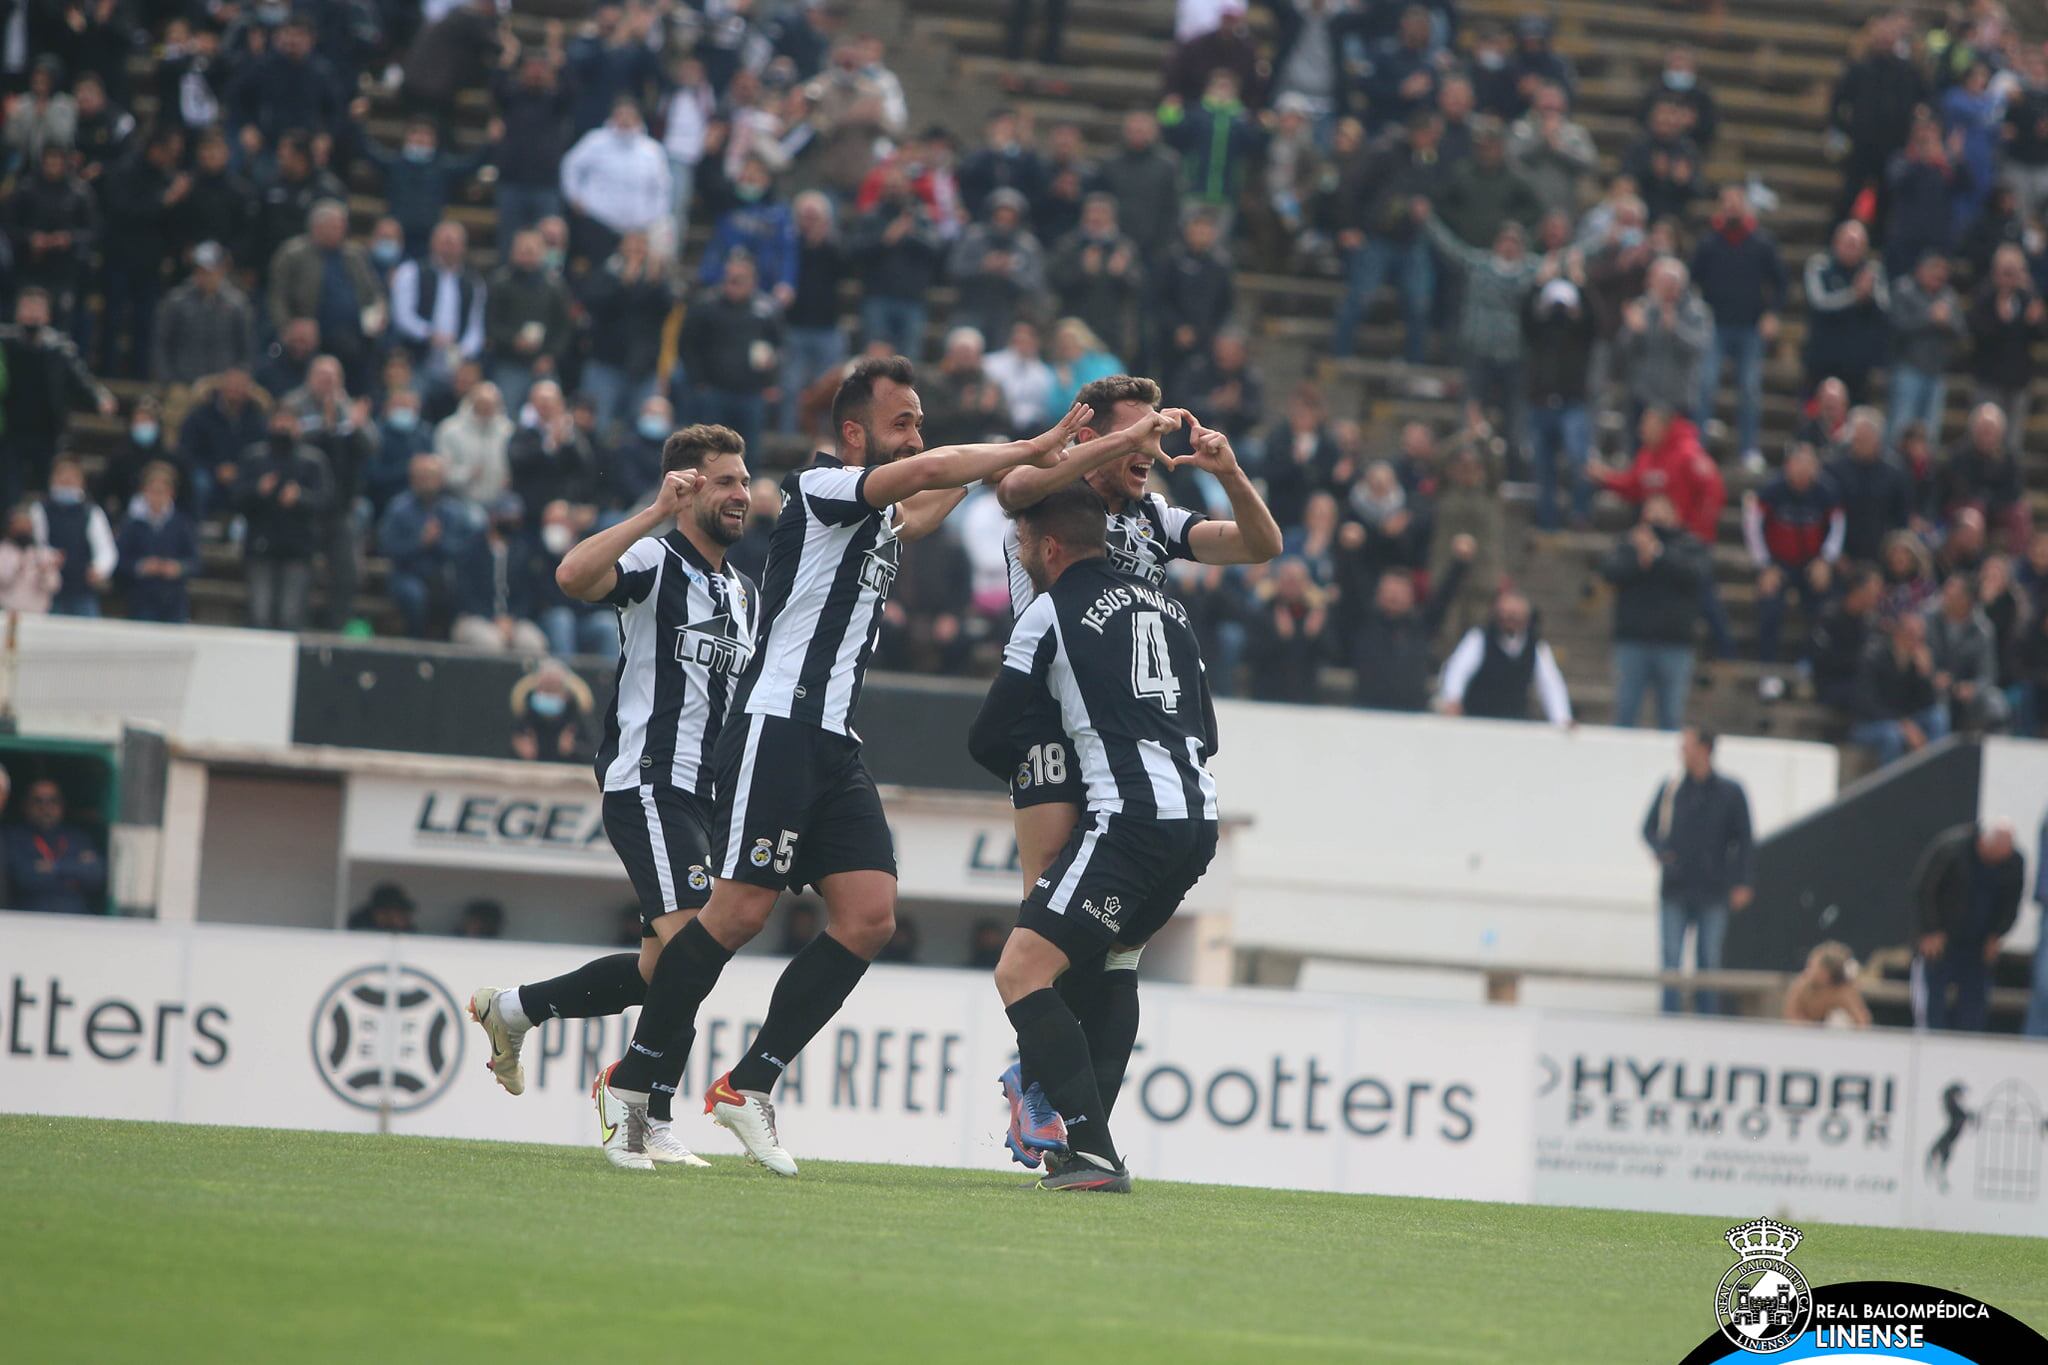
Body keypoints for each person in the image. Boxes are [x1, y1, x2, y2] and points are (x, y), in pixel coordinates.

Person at [592, 361, 1093, 1175]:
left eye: (920, 421)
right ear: (856, 433)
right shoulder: (821, 486)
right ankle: (633, 1081)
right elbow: (931, 473)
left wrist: (1048, 458)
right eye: (902, 421)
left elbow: (945, 491)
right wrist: (1032, 439)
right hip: (776, 723)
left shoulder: (877, 523)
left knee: (869, 915)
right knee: (738, 913)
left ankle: (748, 1083)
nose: (917, 436)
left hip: (833, 740)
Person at [470, 427, 760, 1168]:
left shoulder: (742, 590)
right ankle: (636, 1102)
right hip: (651, 783)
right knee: (698, 942)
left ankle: (516, 1009)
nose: (741, 493)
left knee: (662, 970)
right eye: (724, 480)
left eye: (744, 479)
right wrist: (653, 511)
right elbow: (572, 575)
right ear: (687, 487)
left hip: (711, 798)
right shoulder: (655, 560)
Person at [967, 482, 1221, 1193]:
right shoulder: (1171, 606)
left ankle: (1091, 1150)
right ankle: (1088, 1148)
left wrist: (1055, 773)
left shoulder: (1048, 609)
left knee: (1021, 970)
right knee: (1114, 964)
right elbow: (1210, 730)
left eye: (1023, 545)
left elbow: (988, 735)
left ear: (1048, 546)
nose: (1021, 554)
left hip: (1128, 820)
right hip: (1196, 819)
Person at [991, 376, 1276, 957]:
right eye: (1138, 433)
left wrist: (1228, 472)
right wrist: (1116, 444)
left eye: (1155, 432)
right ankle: (1042, 1041)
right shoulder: (1051, 501)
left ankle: (1078, 1044)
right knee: (1046, 897)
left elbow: (1260, 545)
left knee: (1110, 936)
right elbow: (1012, 487)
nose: (1150, 447)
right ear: (1092, 438)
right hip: (1051, 718)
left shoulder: (1156, 518)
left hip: (1125, 729)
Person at [1643, 727, 1754, 1016]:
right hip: (1676, 887)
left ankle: (1707, 1020)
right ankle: (1670, 1015)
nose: (1683, 752)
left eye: (1687, 746)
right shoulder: (1672, 787)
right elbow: (1649, 828)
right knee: (1671, 959)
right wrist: (1662, 851)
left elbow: (1744, 839)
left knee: (1708, 960)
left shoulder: (1730, 792)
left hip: (1713, 889)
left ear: (1704, 749)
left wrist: (1742, 882)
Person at [1690, 186, 1785, 470]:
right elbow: (1693, 281)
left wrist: (1772, 314)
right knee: (1705, 385)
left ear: (1745, 206)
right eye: (1726, 203)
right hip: (1714, 326)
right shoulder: (1708, 243)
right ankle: (1698, 447)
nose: (1731, 208)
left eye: (1736, 203)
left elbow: (1780, 283)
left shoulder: (1762, 243)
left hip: (1750, 327)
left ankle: (1748, 448)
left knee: (1749, 389)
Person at [0, 288, 116, 510]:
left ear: (47, 315)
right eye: (27, 307)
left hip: (48, 431)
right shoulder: (5, 344)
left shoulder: (59, 349)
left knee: (51, 488)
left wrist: (99, 398)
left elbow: (80, 379)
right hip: (11, 433)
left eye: (37, 308)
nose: (32, 314)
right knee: (8, 490)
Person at [1603, 496, 1709, 731]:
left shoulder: (1690, 546)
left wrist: (1658, 554)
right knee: (1625, 712)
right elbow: (1611, 572)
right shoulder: (1627, 544)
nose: (1657, 519)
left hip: (1675, 643)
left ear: (1675, 516)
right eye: (1652, 512)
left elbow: (1695, 576)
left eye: (1663, 513)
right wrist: (1639, 558)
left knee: (1671, 716)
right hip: (1632, 640)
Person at [1912, 821, 2025, 1033]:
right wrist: (1930, 930)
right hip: (1942, 940)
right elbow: (1924, 889)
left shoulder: (2013, 862)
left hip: (1978, 944)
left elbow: (2011, 903)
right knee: (1932, 1006)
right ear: (1985, 843)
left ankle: (1965, 1053)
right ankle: (1930, 1048)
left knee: (1973, 1008)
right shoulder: (1951, 849)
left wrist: (1997, 934)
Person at [1743, 444, 1845, 665]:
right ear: (1788, 466)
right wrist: (1764, 565)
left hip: (1811, 562)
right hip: (1778, 563)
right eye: (1798, 465)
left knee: (1824, 607)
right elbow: (1753, 526)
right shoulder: (1772, 490)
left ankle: (1810, 663)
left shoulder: (1827, 491)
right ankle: (1767, 668)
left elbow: (1837, 526)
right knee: (1770, 607)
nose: (1802, 472)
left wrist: (1826, 560)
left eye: (1808, 466)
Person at [677, 255, 781, 456]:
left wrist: (771, 380)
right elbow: (687, 344)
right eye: (730, 279)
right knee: (709, 449)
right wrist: (698, 380)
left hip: (751, 392)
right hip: (714, 391)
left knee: (750, 450)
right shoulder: (705, 306)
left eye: (740, 280)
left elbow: (778, 346)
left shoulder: (766, 310)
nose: (733, 285)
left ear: (753, 281)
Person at [559, 96, 670, 267]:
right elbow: (570, 166)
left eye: (629, 115)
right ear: (612, 116)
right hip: (598, 223)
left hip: (638, 231)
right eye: (620, 114)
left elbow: (662, 189)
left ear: (638, 118)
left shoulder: (652, 150)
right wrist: (574, 197)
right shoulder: (595, 141)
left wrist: (652, 218)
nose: (625, 119)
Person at [1438, 591, 1571, 725]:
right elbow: (1458, 669)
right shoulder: (1479, 638)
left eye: (1515, 615)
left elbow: (1550, 684)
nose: (1509, 619)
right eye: (1505, 613)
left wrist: (1562, 718)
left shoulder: (1537, 647)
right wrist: (1452, 699)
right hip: (1478, 720)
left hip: (1515, 723)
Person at [1801, 220, 1890, 401]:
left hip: (1858, 364)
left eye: (1858, 245)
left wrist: (1869, 294)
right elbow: (1819, 303)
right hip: (1822, 359)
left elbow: (1886, 309)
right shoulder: (1820, 266)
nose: (1853, 249)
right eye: (1848, 243)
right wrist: (1854, 295)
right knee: (1814, 414)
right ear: (1836, 243)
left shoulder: (1872, 272)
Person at [451, 494, 549, 653]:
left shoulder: (523, 551)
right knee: (491, 643)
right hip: (474, 616)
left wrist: (512, 619)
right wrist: (492, 618)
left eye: (515, 516)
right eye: (506, 514)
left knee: (533, 643)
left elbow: (529, 594)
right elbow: (463, 593)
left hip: (514, 620)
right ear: (493, 516)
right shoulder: (471, 548)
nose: (511, 520)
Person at [1850, 611, 1950, 765]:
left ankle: (1934, 771)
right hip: (1870, 723)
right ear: (1899, 634)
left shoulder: (1916, 662)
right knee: (1892, 735)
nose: (1916, 642)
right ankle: (1892, 785)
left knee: (1938, 716)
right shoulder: (1874, 656)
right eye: (1912, 635)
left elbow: (1927, 703)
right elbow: (1868, 704)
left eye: (1920, 637)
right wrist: (1903, 724)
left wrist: (1926, 675)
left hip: (1905, 720)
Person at [3, 779, 106, 915]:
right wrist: (75, 868)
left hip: (76, 923)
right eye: (38, 801)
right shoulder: (12, 838)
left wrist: (54, 867)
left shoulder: (78, 837)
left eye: (53, 800)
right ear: (25, 805)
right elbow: (23, 878)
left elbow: (96, 875)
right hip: (28, 922)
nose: (46, 807)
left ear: (62, 805)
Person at [114, 462, 200, 624]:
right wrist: (141, 566)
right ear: (144, 492)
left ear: (171, 493)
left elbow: (195, 561)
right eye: (153, 491)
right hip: (141, 601)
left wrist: (178, 568)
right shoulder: (132, 524)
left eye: (161, 492)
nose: (157, 496)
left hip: (174, 602)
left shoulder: (182, 524)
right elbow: (120, 559)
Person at [31, 456, 116, 617]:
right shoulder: (40, 509)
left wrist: (99, 569)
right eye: (62, 479)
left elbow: (106, 549)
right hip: (47, 589)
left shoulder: (91, 512)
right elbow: (36, 543)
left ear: (81, 482)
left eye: (71, 480)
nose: (66, 483)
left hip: (82, 589)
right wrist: (49, 557)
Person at [1782, 942, 1872, 1027]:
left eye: (1812, 967)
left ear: (1826, 973)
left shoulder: (1843, 992)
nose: (1808, 971)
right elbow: (1791, 1018)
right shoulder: (1801, 986)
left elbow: (1862, 1022)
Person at [346, 882, 417, 933]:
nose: (392, 918)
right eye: (385, 912)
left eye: (399, 913)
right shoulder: (361, 928)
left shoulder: (410, 933)